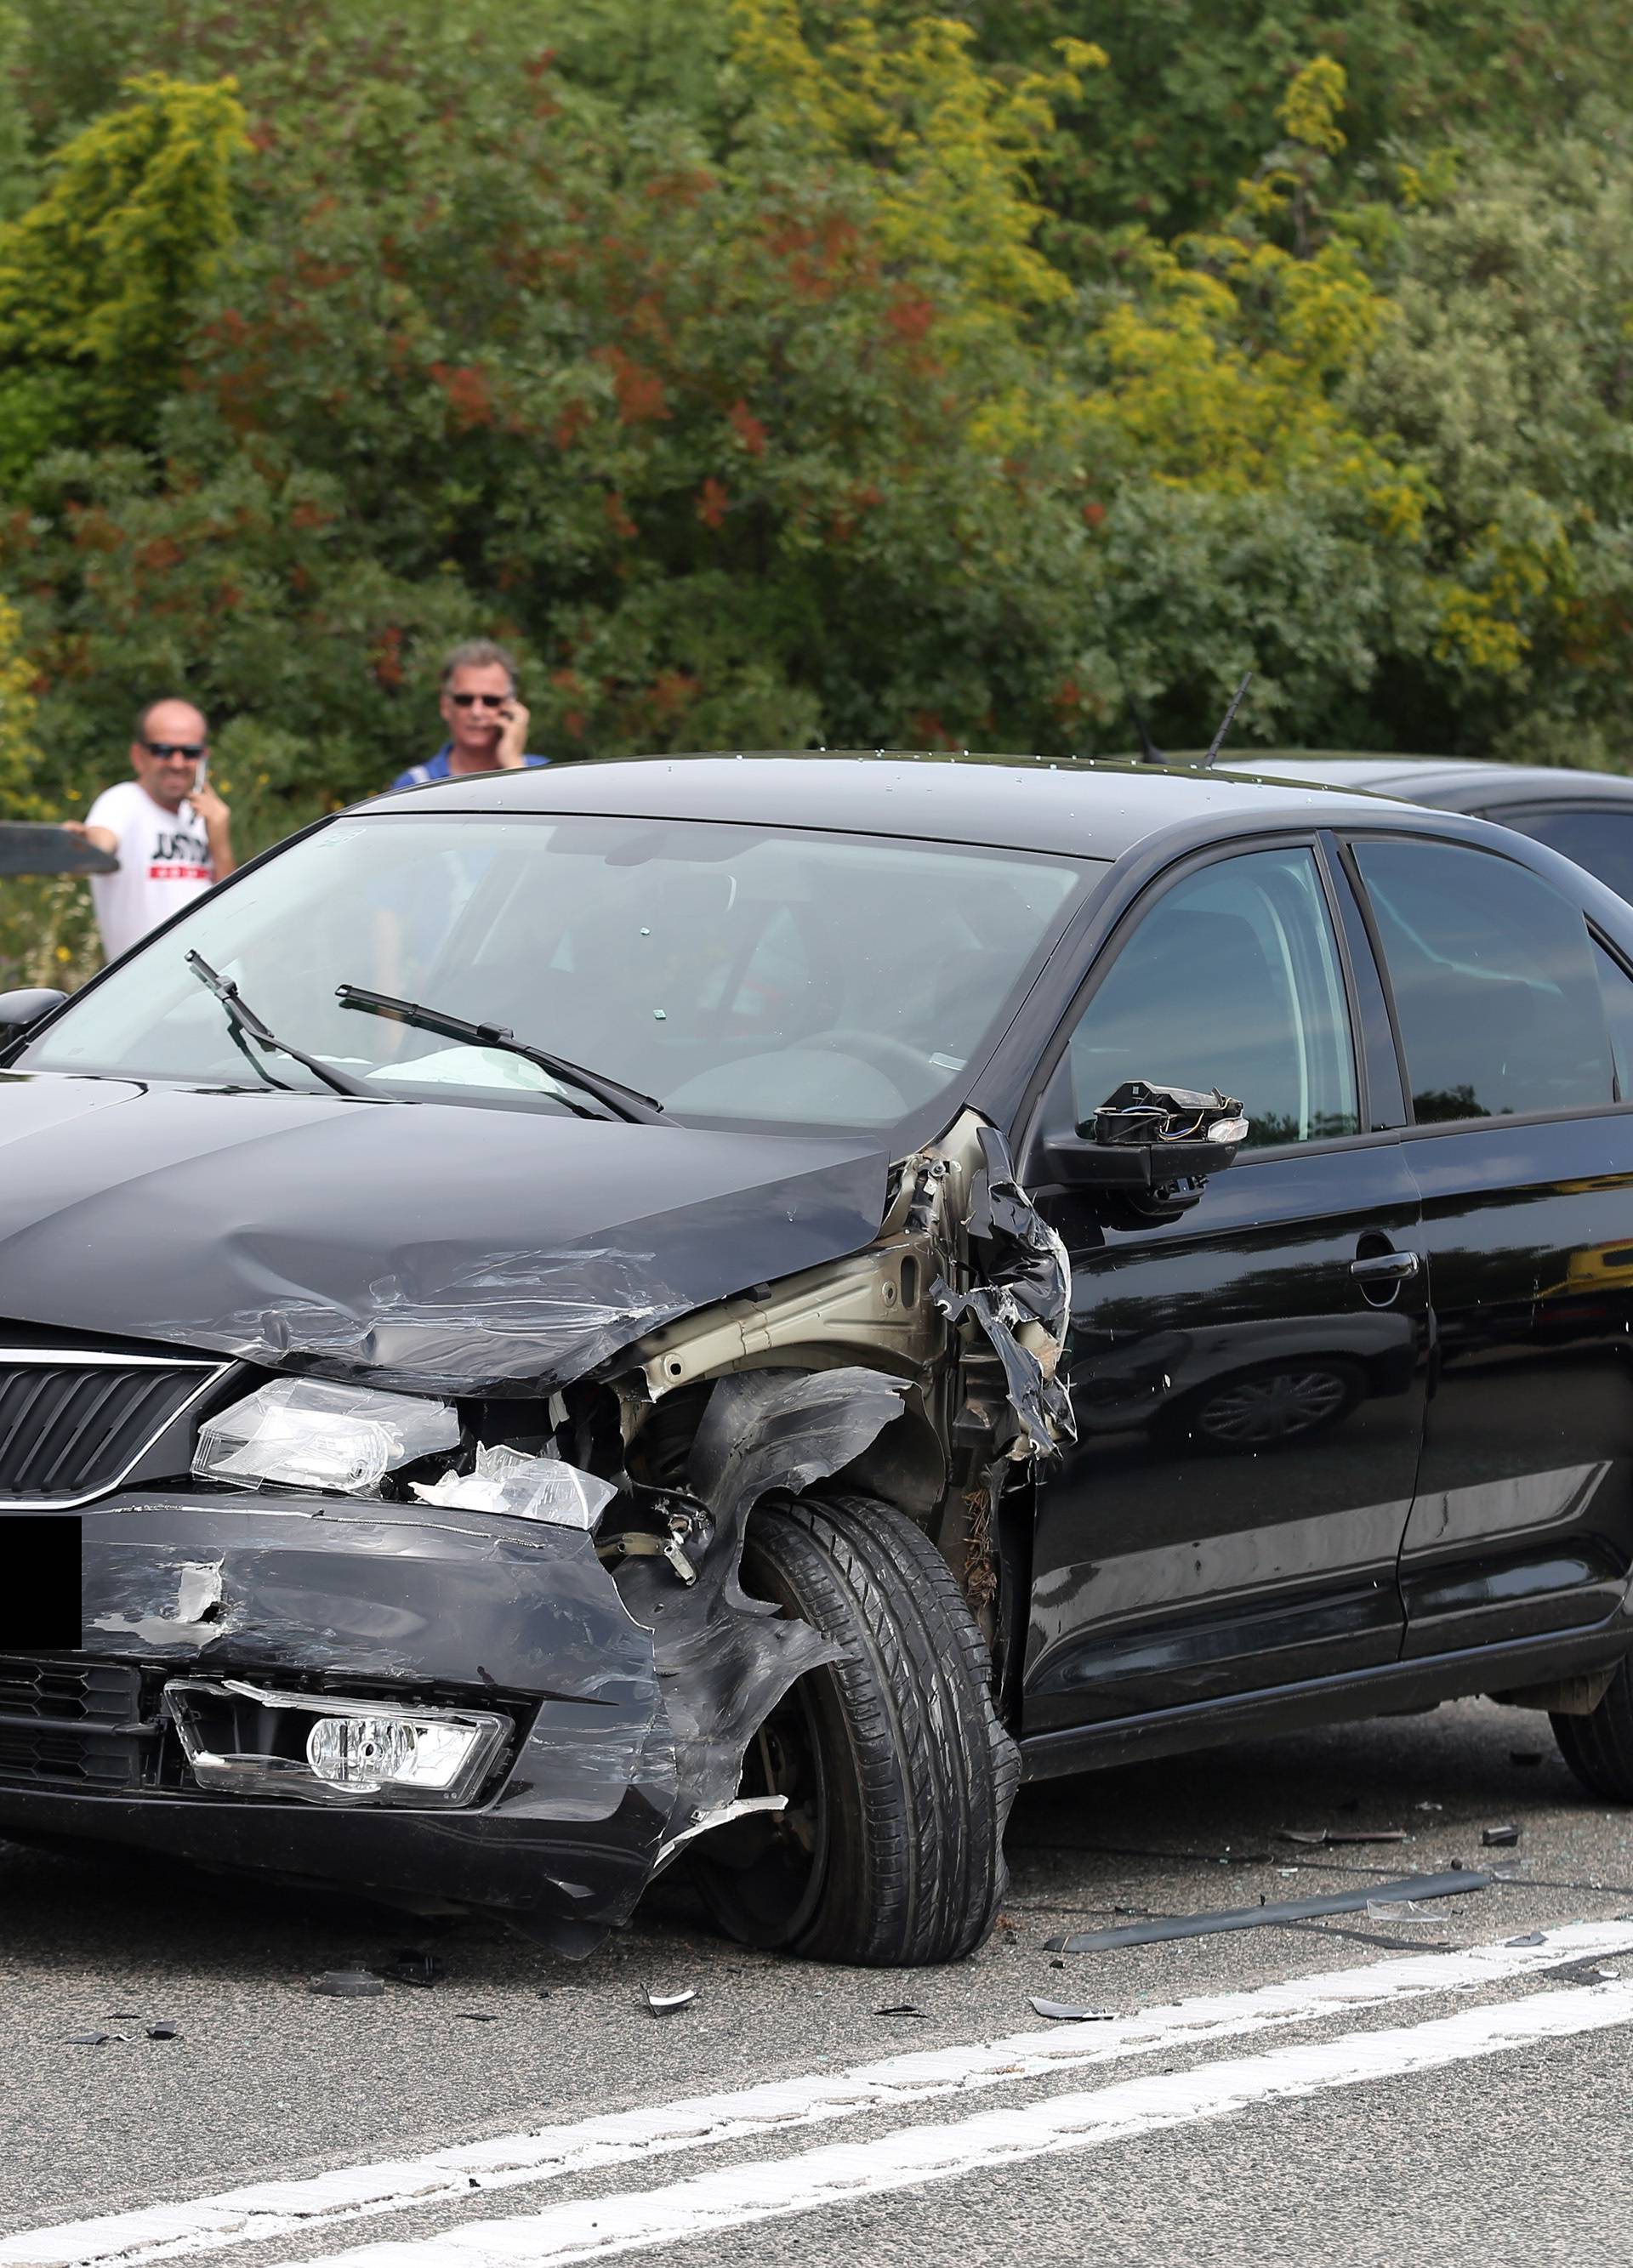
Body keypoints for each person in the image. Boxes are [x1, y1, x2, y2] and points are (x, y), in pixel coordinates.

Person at [64, 698, 236, 963]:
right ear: (138, 756)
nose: (178, 763)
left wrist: (220, 839)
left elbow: (231, 909)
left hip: (221, 986)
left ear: (203, 758)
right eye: (163, 750)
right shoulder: (123, 801)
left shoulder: (204, 816)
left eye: (190, 752)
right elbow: (101, 841)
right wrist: (81, 843)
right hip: (152, 995)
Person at [386, 639, 549, 790]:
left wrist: (513, 764)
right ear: (445, 705)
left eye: (490, 700)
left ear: (512, 707)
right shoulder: (415, 785)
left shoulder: (547, 776)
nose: (476, 712)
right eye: (464, 700)